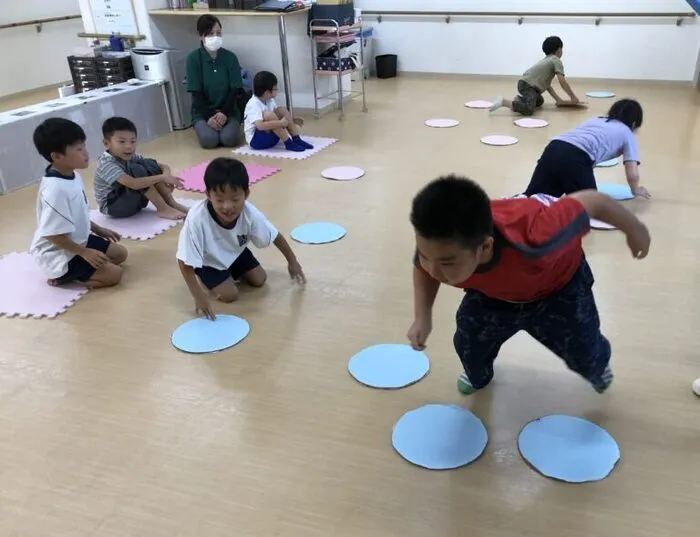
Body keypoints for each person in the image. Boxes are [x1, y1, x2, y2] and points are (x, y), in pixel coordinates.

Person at [406, 175, 651, 396]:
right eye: (427, 257)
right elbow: (423, 268)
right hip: (492, 296)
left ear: (486, 248)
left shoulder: (537, 238)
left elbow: (593, 201)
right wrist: (422, 316)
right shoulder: (438, 246)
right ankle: (477, 375)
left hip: (559, 289)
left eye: (447, 263)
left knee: (584, 349)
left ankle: (596, 368)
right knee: (469, 343)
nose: (434, 271)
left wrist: (634, 228)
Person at [176, 157, 306, 319]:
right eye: (220, 200)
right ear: (208, 195)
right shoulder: (197, 219)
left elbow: (275, 235)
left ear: (246, 194)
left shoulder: (250, 213)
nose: (228, 206)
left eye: (235, 199)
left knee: (260, 279)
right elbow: (184, 260)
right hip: (207, 261)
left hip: (234, 251)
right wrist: (198, 295)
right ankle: (206, 277)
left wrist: (292, 262)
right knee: (230, 295)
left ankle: (228, 272)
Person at [30, 118, 128, 288]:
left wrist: (98, 229)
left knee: (120, 254)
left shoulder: (72, 174)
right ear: (57, 156)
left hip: (78, 240)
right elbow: (51, 235)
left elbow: (75, 214)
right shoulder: (56, 190)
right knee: (114, 275)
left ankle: (83, 267)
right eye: (79, 149)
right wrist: (84, 253)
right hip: (58, 252)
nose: (86, 153)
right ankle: (62, 277)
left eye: (84, 147)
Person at [524, 99, 650, 198]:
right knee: (591, 206)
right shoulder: (627, 133)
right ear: (634, 123)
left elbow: (583, 142)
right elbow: (632, 174)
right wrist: (635, 189)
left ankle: (508, 210)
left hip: (554, 147)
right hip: (576, 157)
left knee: (535, 197)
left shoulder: (596, 120)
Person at [93, 117, 189, 220]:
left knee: (149, 164)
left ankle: (171, 203)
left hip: (133, 200)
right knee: (137, 170)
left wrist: (167, 175)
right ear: (107, 144)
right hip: (115, 206)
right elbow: (134, 183)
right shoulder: (106, 163)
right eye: (122, 142)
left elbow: (162, 166)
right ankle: (163, 208)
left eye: (132, 141)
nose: (129, 146)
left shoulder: (130, 156)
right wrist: (162, 177)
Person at [186, 14, 245, 149]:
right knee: (209, 140)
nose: (215, 37)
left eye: (218, 33)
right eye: (210, 34)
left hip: (229, 110)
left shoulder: (230, 57)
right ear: (201, 36)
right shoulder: (193, 59)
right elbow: (195, 92)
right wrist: (209, 117)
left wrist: (224, 113)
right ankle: (205, 126)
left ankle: (228, 125)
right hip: (203, 112)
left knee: (228, 139)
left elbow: (235, 89)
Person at [489, 36, 581, 116]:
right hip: (528, 85)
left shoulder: (547, 60)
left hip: (526, 84)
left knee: (539, 101)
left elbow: (548, 86)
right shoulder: (556, 60)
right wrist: (573, 97)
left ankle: (519, 100)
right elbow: (562, 81)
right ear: (559, 49)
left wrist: (559, 100)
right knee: (529, 110)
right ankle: (504, 102)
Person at [243, 71, 313, 152]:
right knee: (269, 115)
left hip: (272, 137)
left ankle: (296, 139)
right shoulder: (253, 104)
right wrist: (281, 123)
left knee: (281, 110)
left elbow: (280, 116)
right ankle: (288, 143)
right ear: (267, 92)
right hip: (257, 141)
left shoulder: (270, 100)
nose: (277, 90)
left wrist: (292, 120)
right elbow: (260, 126)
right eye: (275, 88)